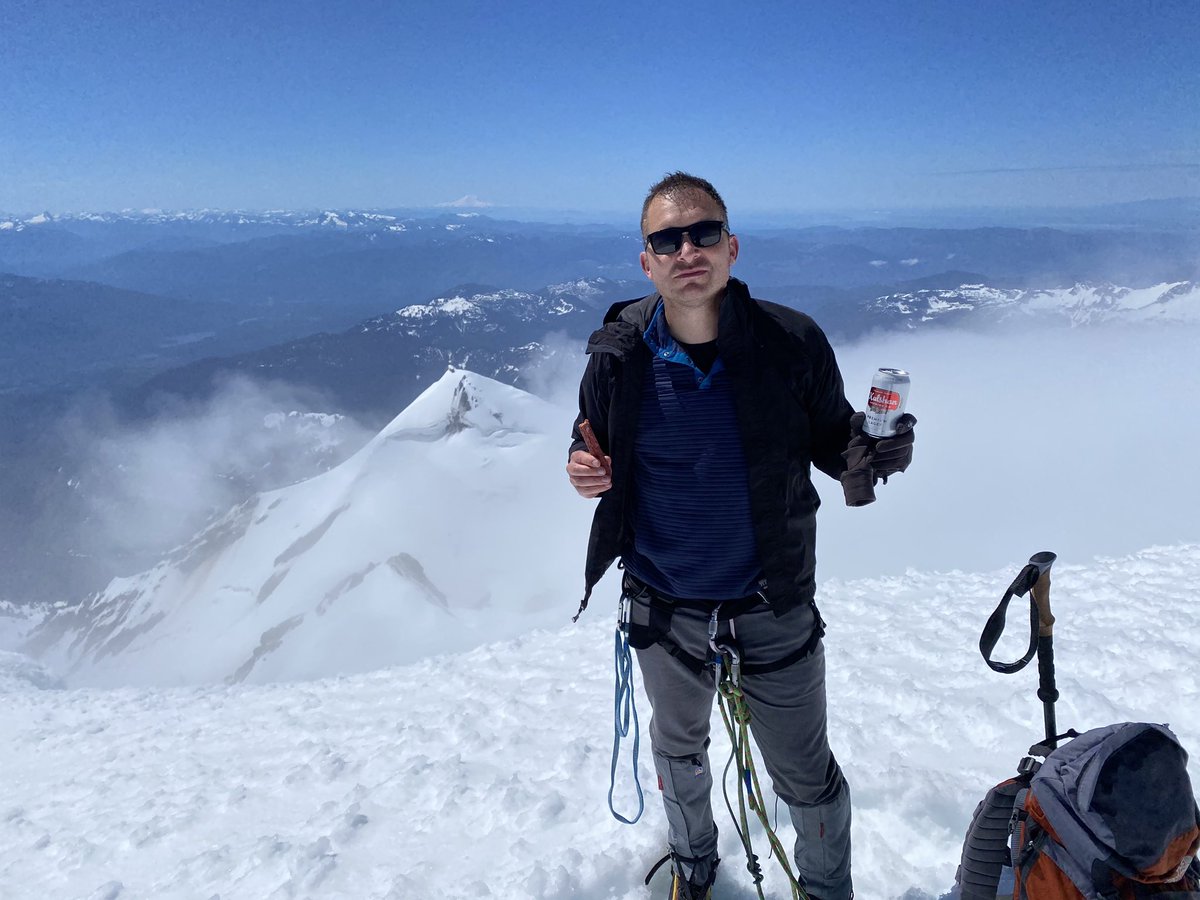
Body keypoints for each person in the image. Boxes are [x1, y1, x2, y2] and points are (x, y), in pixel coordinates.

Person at [566, 172, 914, 900]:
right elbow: (592, 435)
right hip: (663, 603)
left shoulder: (790, 343)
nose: (686, 249)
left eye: (703, 233)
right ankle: (695, 872)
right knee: (680, 751)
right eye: (667, 238)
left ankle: (825, 892)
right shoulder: (618, 354)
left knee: (803, 772)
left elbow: (830, 439)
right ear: (647, 261)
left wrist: (873, 447)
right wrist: (581, 464)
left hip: (771, 600)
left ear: (731, 247)